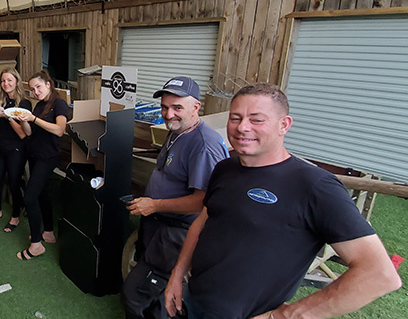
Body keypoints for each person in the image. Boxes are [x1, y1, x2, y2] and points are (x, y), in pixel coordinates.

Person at [164, 83, 402, 319]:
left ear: (284, 125)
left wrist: (284, 316)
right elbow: (202, 223)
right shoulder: (225, 168)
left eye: (257, 120)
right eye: (235, 118)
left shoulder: (315, 186)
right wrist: (177, 274)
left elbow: (379, 274)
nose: (242, 127)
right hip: (195, 301)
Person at [122, 76, 229, 318]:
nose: (168, 114)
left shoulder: (204, 144)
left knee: (137, 294)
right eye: (164, 107)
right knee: (155, 292)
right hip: (158, 224)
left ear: (196, 107)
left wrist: (155, 204)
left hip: (177, 232)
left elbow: (204, 201)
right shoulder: (178, 130)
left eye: (177, 107)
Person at [13, 70, 68, 260]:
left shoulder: (59, 103)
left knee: (29, 198)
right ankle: (49, 233)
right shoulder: (39, 106)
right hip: (35, 155)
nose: (35, 91)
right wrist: (23, 119)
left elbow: (60, 130)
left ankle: (36, 245)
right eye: (32, 89)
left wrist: (34, 119)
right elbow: (28, 133)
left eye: (38, 87)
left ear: (48, 84)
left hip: (47, 157)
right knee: (42, 193)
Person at [0, 67, 32, 232]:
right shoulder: (1, 100)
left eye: (9, 80)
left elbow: (23, 134)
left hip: (16, 149)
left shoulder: (23, 103)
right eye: (3, 81)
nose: (6, 83)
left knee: (14, 184)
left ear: (16, 81)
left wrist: (7, 117)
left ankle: (15, 217)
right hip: (1, 147)